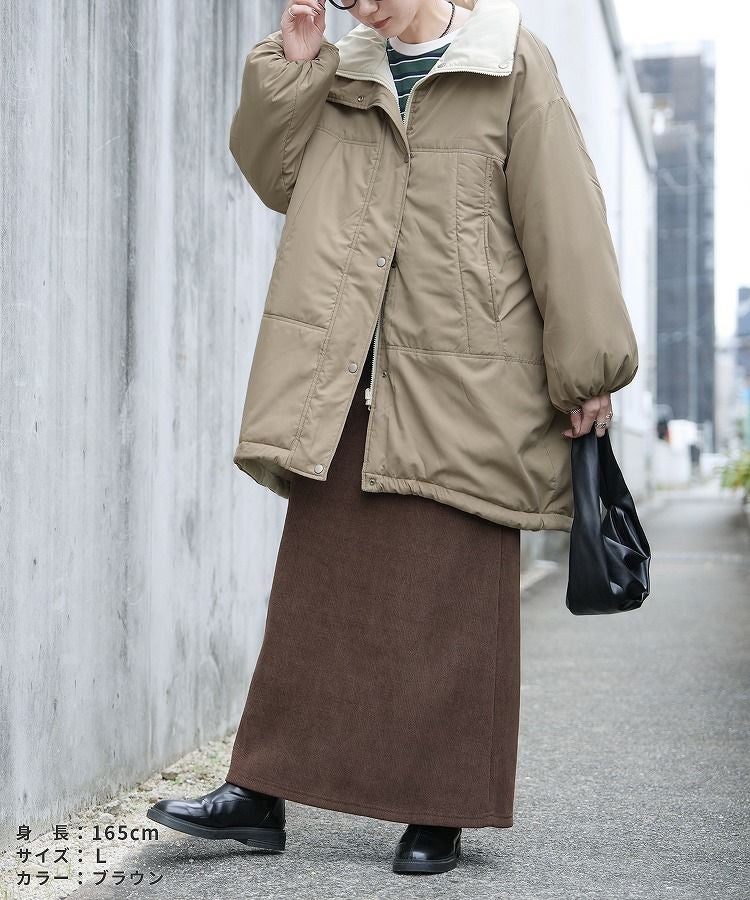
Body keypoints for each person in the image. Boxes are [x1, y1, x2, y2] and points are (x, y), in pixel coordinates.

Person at [147, 0, 639, 876]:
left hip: (471, 375)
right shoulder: (341, 70)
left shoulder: (511, 62)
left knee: (455, 599)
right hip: (351, 371)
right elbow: (273, 174)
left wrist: (587, 367)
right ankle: (259, 791)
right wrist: (294, 67)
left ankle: (440, 806)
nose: (358, 6)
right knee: (314, 593)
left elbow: (565, 220)